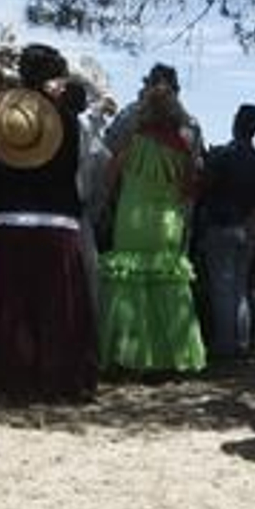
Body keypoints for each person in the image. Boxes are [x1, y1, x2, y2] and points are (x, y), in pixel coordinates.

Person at [0, 44, 97, 403]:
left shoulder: (0, 114)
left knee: (12, 304)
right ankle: (60, 378)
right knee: (58, 307)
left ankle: (13, 378)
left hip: (5, 218)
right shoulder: (69, 119)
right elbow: (84, 171)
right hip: (58, 221)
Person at [96, 65, 206, 376]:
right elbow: (190, 189)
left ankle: (127, 355)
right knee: (167, 283)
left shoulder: (133, 142)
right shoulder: (184, 146)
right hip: (167, 219)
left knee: (129, 283)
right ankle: (168, 357)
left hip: (132, 215)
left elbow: (108, 176)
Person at [194, 103, 255, 361]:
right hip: (246, 227)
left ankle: (225, 344)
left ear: (238, 122)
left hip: (222, 225)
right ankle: (243, 341)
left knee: (222, 288)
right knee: (240, 288)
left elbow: (206, 184)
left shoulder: (226, 154)